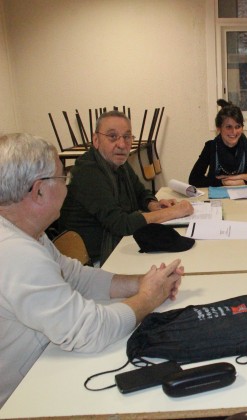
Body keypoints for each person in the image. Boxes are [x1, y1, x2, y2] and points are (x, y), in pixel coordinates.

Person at [0, 133, 185, 408]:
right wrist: (147, 298)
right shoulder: (17, 254)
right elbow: (90, 331)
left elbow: (76, 277)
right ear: (38, 191)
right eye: (62, 178)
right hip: (22, 398)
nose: (67, 187)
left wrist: (143, 282)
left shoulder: (28, 234)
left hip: (42, 369)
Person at [59, 110, 193, 264]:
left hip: (119, 245)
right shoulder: (88, 172)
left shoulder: (118, 163)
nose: (122, 144)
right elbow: (120, 224)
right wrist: (174, 212)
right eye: (112, 136)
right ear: (96, 140)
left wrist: (153, 204)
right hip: (95, 261)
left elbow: (141, 193)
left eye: (127, 137)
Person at [188, 99, 247, 188]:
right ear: (219, 128)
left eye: (238, 126)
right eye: (228, 127)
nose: (234, 131)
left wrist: (243, 178)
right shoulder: (210, 147)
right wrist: (223, 182)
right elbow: (194, 179)